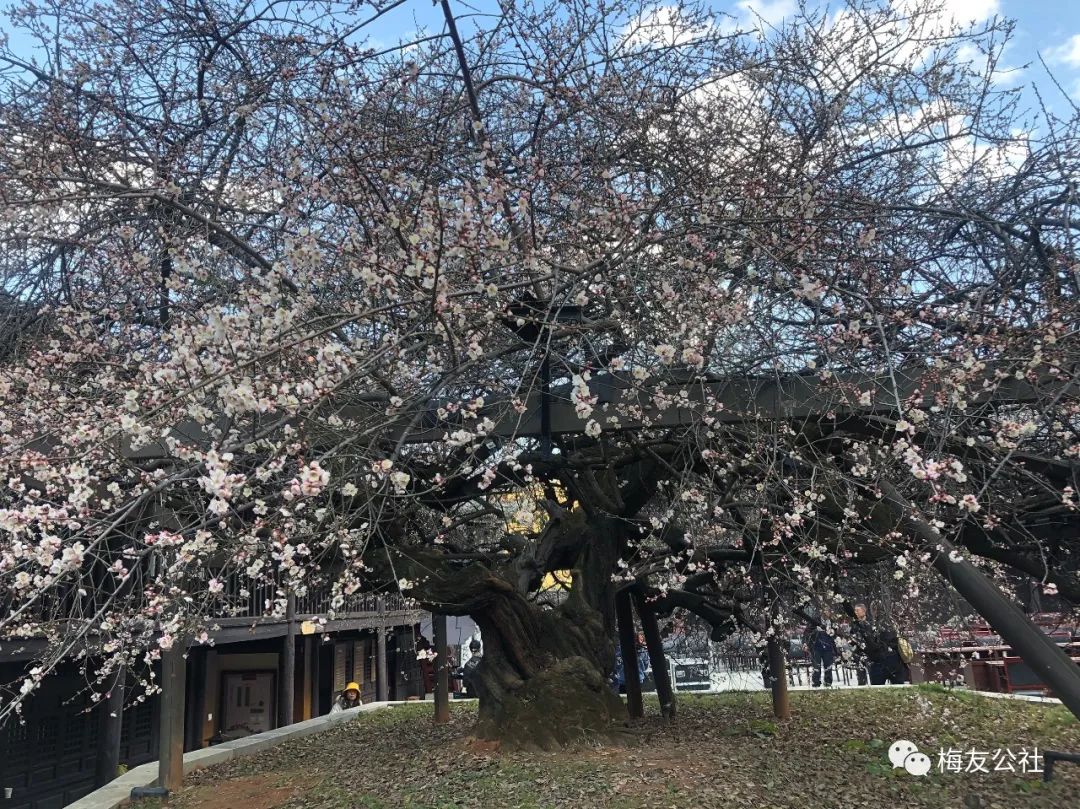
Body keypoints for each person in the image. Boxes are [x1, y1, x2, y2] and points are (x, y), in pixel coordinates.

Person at [803, 621, 837, 687]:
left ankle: (828, 682)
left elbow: (835, 635)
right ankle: (816, 683)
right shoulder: (814, 620)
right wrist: (805, 643)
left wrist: (832, 633)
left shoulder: (832, 621)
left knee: (828, 666)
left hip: (828, 648)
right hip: (816, 648)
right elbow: (807, 633)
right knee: (816, 667)